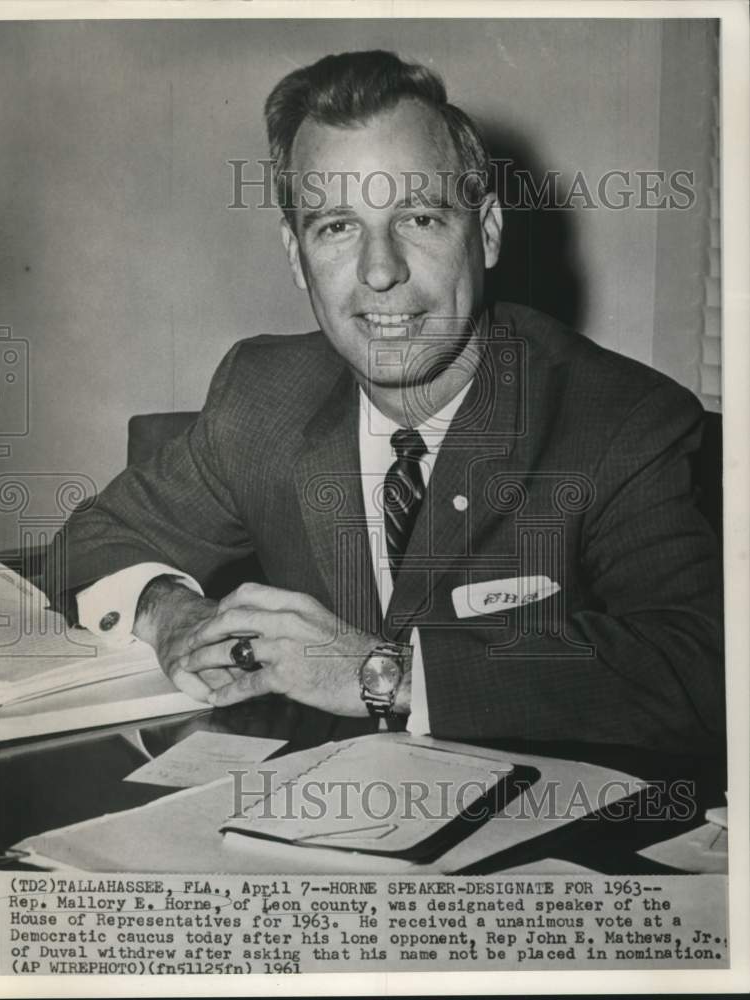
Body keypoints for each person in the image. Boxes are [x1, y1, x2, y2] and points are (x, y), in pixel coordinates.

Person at [46, 50, 723, 754]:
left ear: (485, 233)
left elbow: (703, 663)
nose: (379, 270)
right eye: (337, 227)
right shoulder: (262, 394)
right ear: (295, 253)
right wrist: (173, 612)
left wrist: (386, 674)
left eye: (420, 218)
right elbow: (91, 542)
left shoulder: (617, 419)